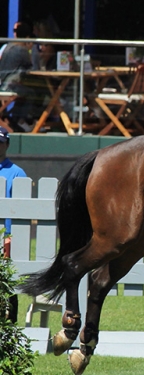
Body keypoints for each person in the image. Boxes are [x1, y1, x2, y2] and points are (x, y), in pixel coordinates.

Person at [0, 125, 27, 323]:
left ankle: (10, 322)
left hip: (7, 237)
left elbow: (24, 208)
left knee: (8, 281)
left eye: (0, 143)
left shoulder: (17, 173)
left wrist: (11, 238)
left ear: (7, 144)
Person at [0, 23, 37, 132]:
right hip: (10, 86)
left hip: (2, 83)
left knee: (26, 92)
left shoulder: (7, 46)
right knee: (31, 93)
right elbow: (31, 68)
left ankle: (13, 118)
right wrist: (30, 50)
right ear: (27, 37)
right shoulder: (22, 50)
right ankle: (18, 118)